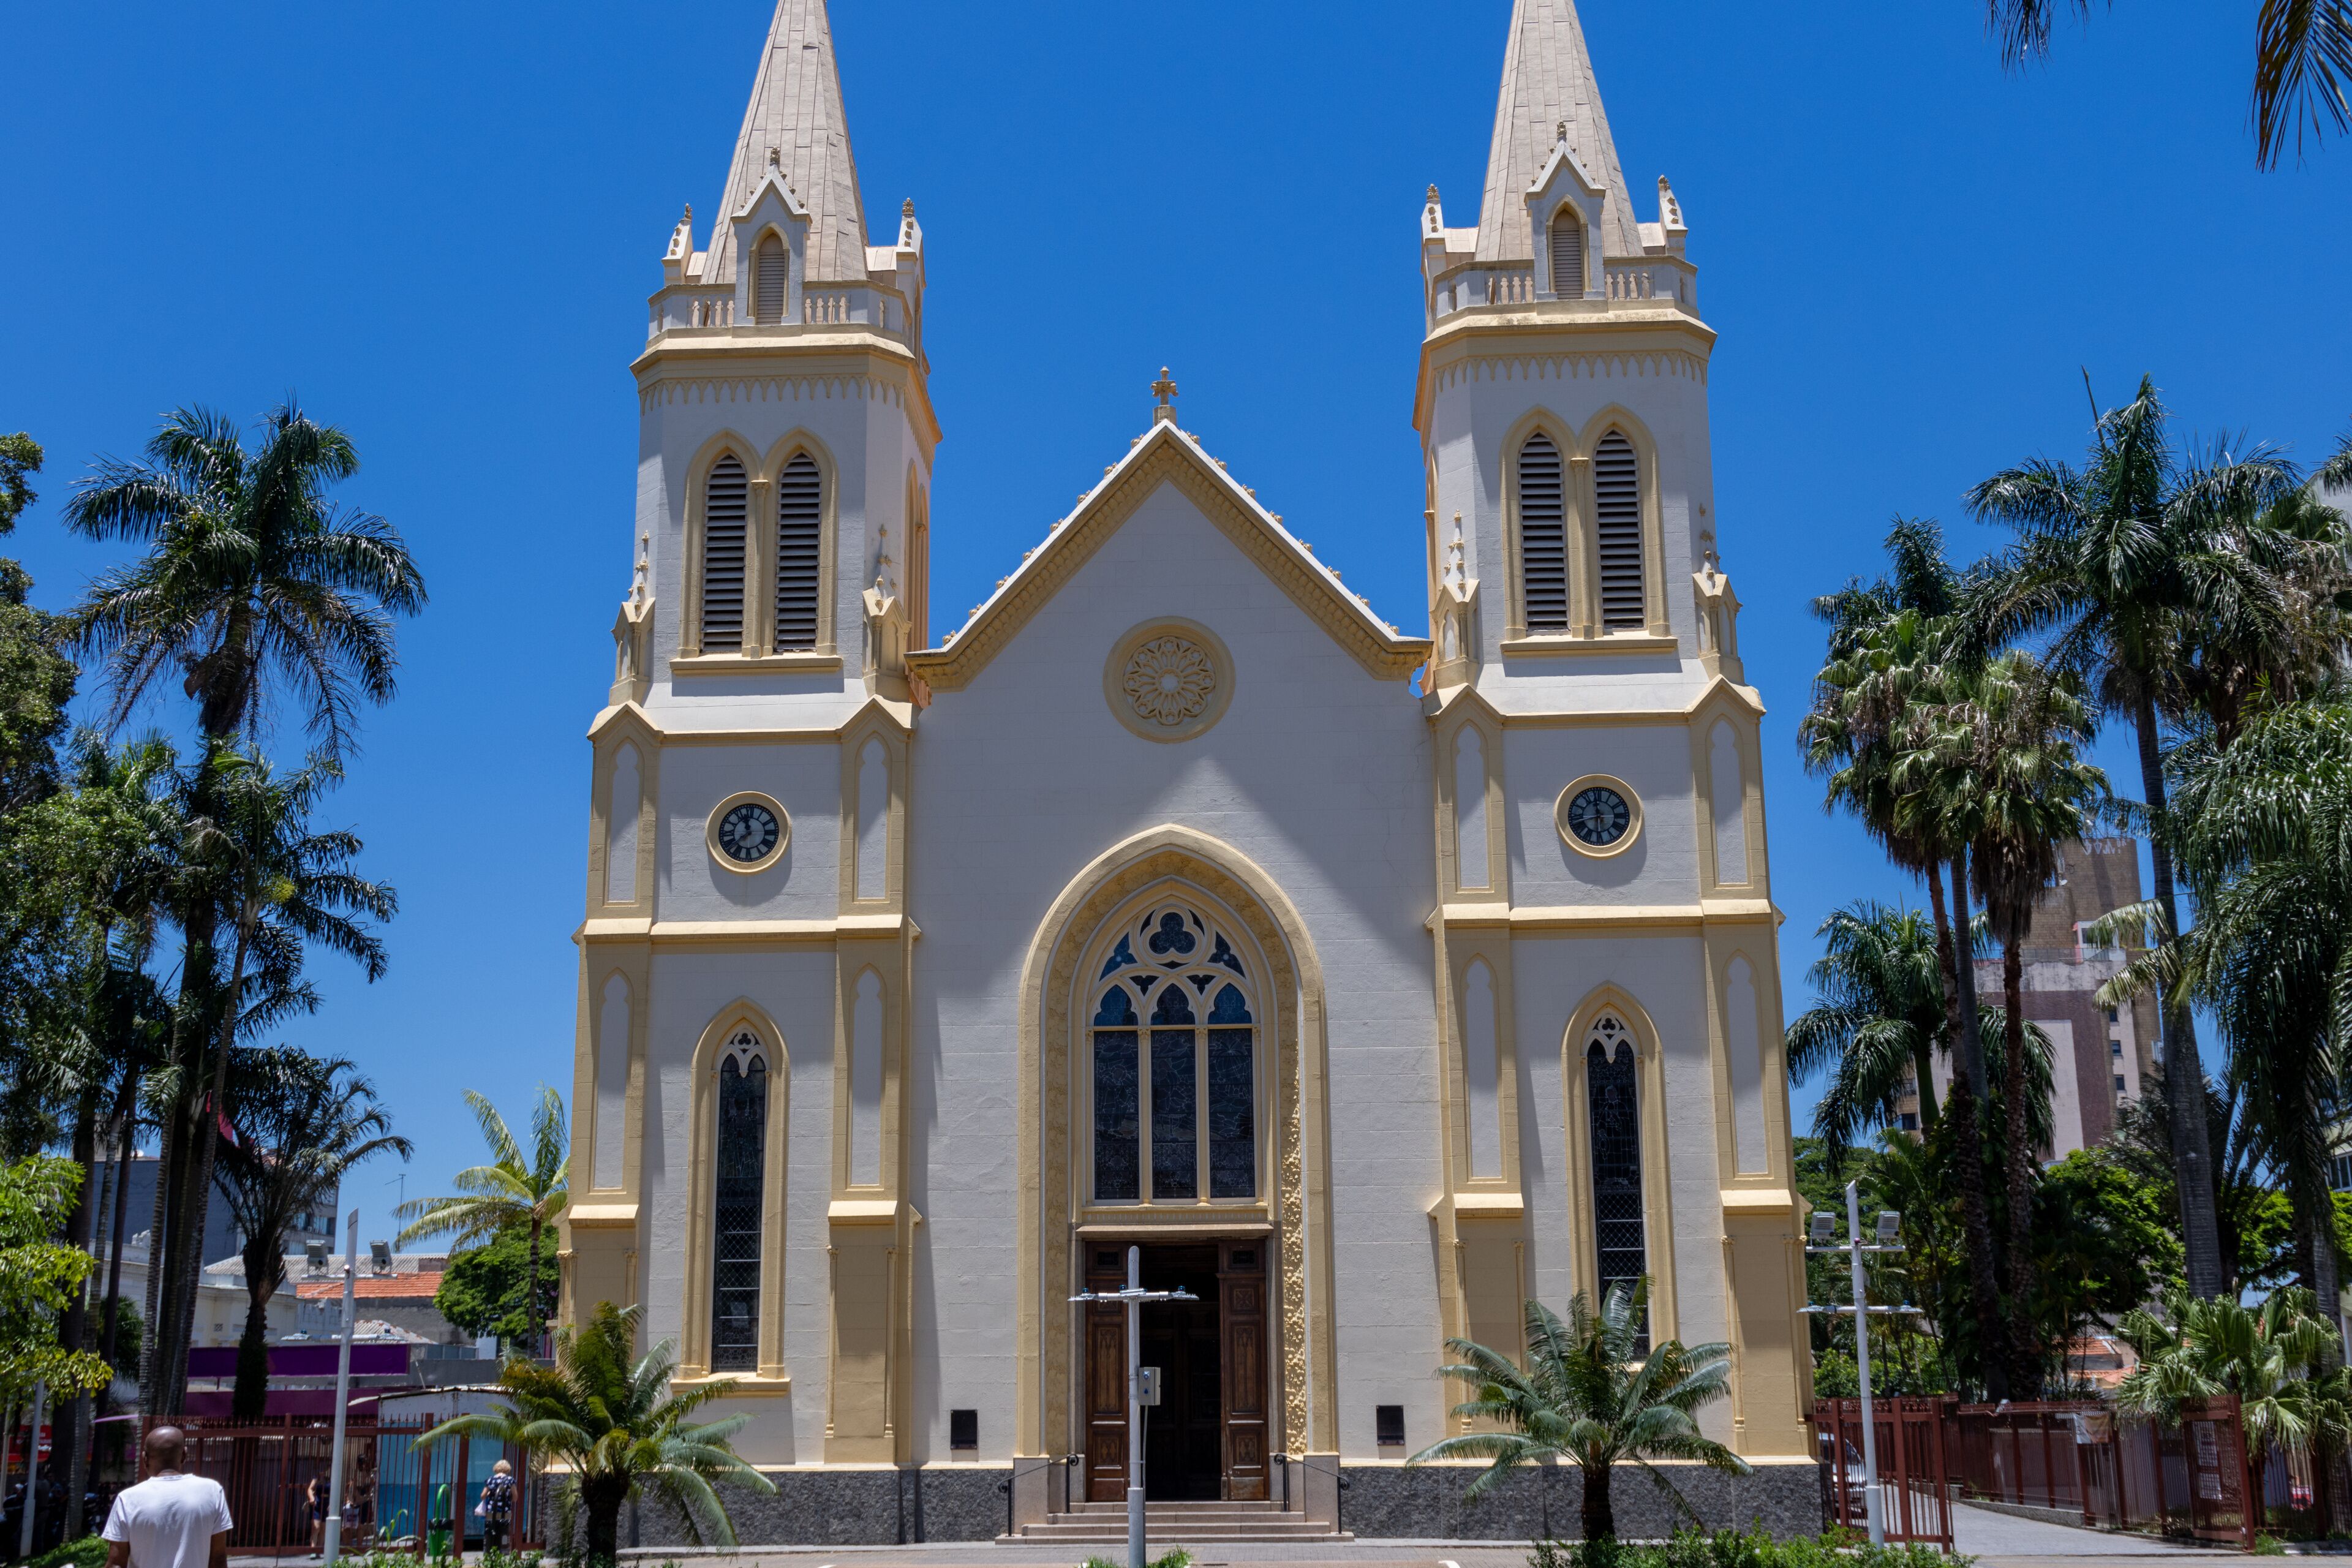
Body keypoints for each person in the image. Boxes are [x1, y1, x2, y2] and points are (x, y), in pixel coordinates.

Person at [100, 1428, 230, 1568]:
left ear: (145, 1458)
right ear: (184, 1455)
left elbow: (116, 1564)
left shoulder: (128, 1499)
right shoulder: (212, 1492)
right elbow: (218, 1559)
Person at [476, 1461, 514, 1555]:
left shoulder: (490, 1480)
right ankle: (503, 1551)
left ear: (496, 1469)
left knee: (490, 1530)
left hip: (491, 1511)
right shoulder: (510, 1480)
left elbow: (483, 1496)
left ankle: (489, 1551)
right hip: (505, 1511)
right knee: (503, 1531)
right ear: (507, 1469)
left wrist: (490, 1494)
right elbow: (515, 1497)